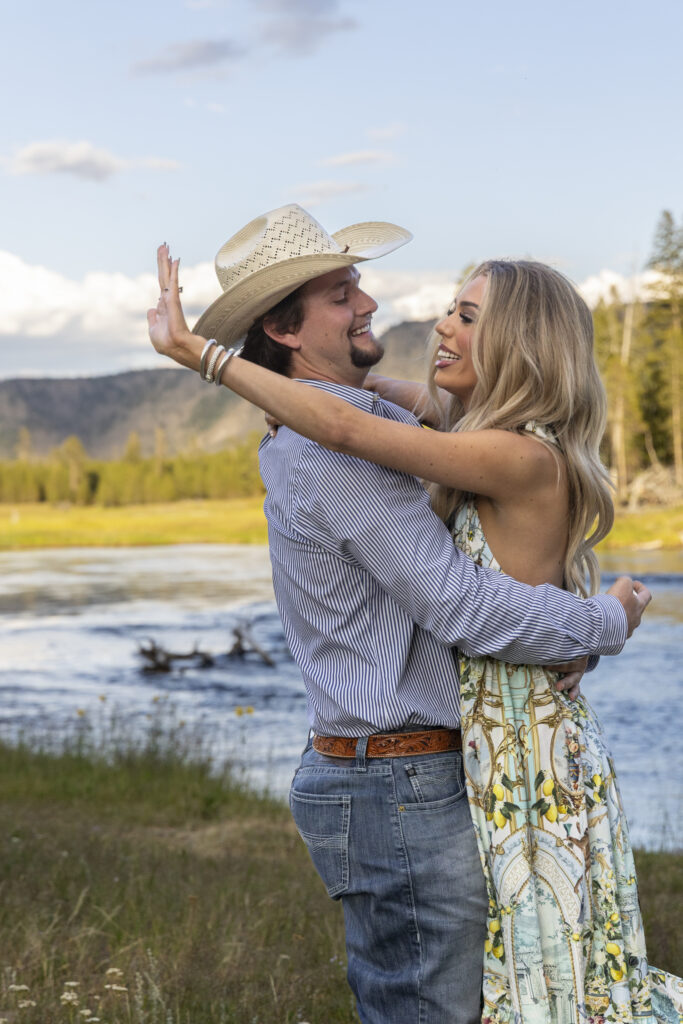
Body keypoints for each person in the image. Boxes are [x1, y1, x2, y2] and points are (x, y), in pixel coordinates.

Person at [147, 204, 654, 1024]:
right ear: (283, 327)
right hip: (396, 780)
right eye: (342, 293)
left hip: (435, 767)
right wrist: (603, 622)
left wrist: (585, 624)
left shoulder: (406, 436)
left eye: (464, 315)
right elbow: (457, 600)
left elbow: (388, 417)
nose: (371, 304)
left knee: (523, 991)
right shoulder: (331, 448)